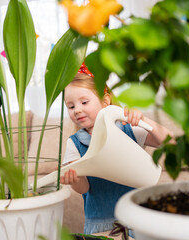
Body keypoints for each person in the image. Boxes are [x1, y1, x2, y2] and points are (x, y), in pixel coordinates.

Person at [61, 64, 174, 237]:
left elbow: (169, 141)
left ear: (105, 101)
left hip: (139, 218)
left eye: (84, 102)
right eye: (71, 106)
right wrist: (74, 179)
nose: (77, 110)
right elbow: (84, 189)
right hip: (101, 225)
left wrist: (143, 119)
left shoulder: (129, 130)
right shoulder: (74, 144)